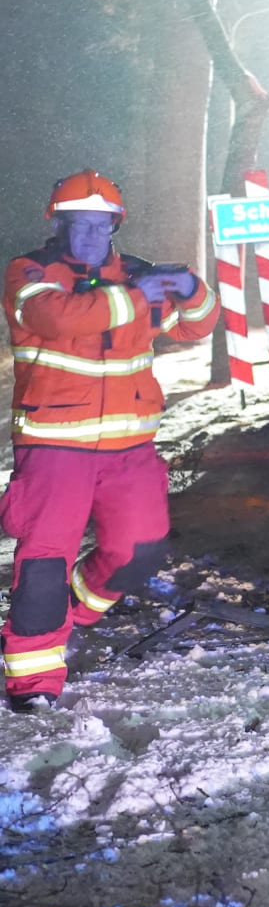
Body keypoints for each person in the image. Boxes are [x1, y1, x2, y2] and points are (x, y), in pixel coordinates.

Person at [2, 170, 218, 712]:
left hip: (130, 451)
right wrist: (134, 294)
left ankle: (71, 613)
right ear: (59, 224)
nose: (90, 238)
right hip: (54, 449)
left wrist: (191, 288)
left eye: (101, 227)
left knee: (138, 552)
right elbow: (55, 318)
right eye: (79, 226)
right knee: (45, 562)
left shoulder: (139, 276)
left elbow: (197, 325)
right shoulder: (29, 272)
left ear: (116, 227)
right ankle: (33, 681)